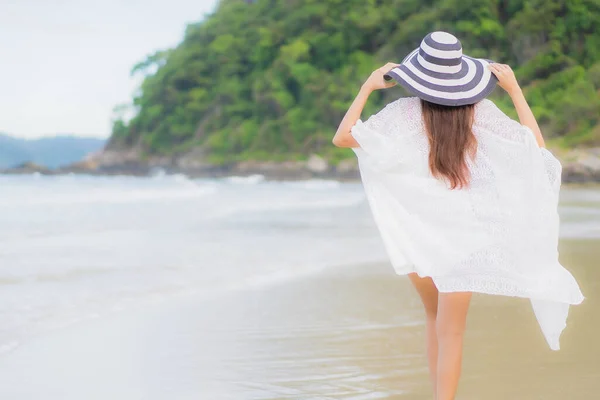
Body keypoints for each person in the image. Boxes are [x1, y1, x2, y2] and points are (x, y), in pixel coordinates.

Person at [332, 31, 584, 400]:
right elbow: (535, 150)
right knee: (451, 331)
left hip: (418, 236)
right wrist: (514, 90)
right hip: (465, 238)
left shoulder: (403, 113)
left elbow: (343, 138)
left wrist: (368, 87)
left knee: (433, 320)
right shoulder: (478, 112)